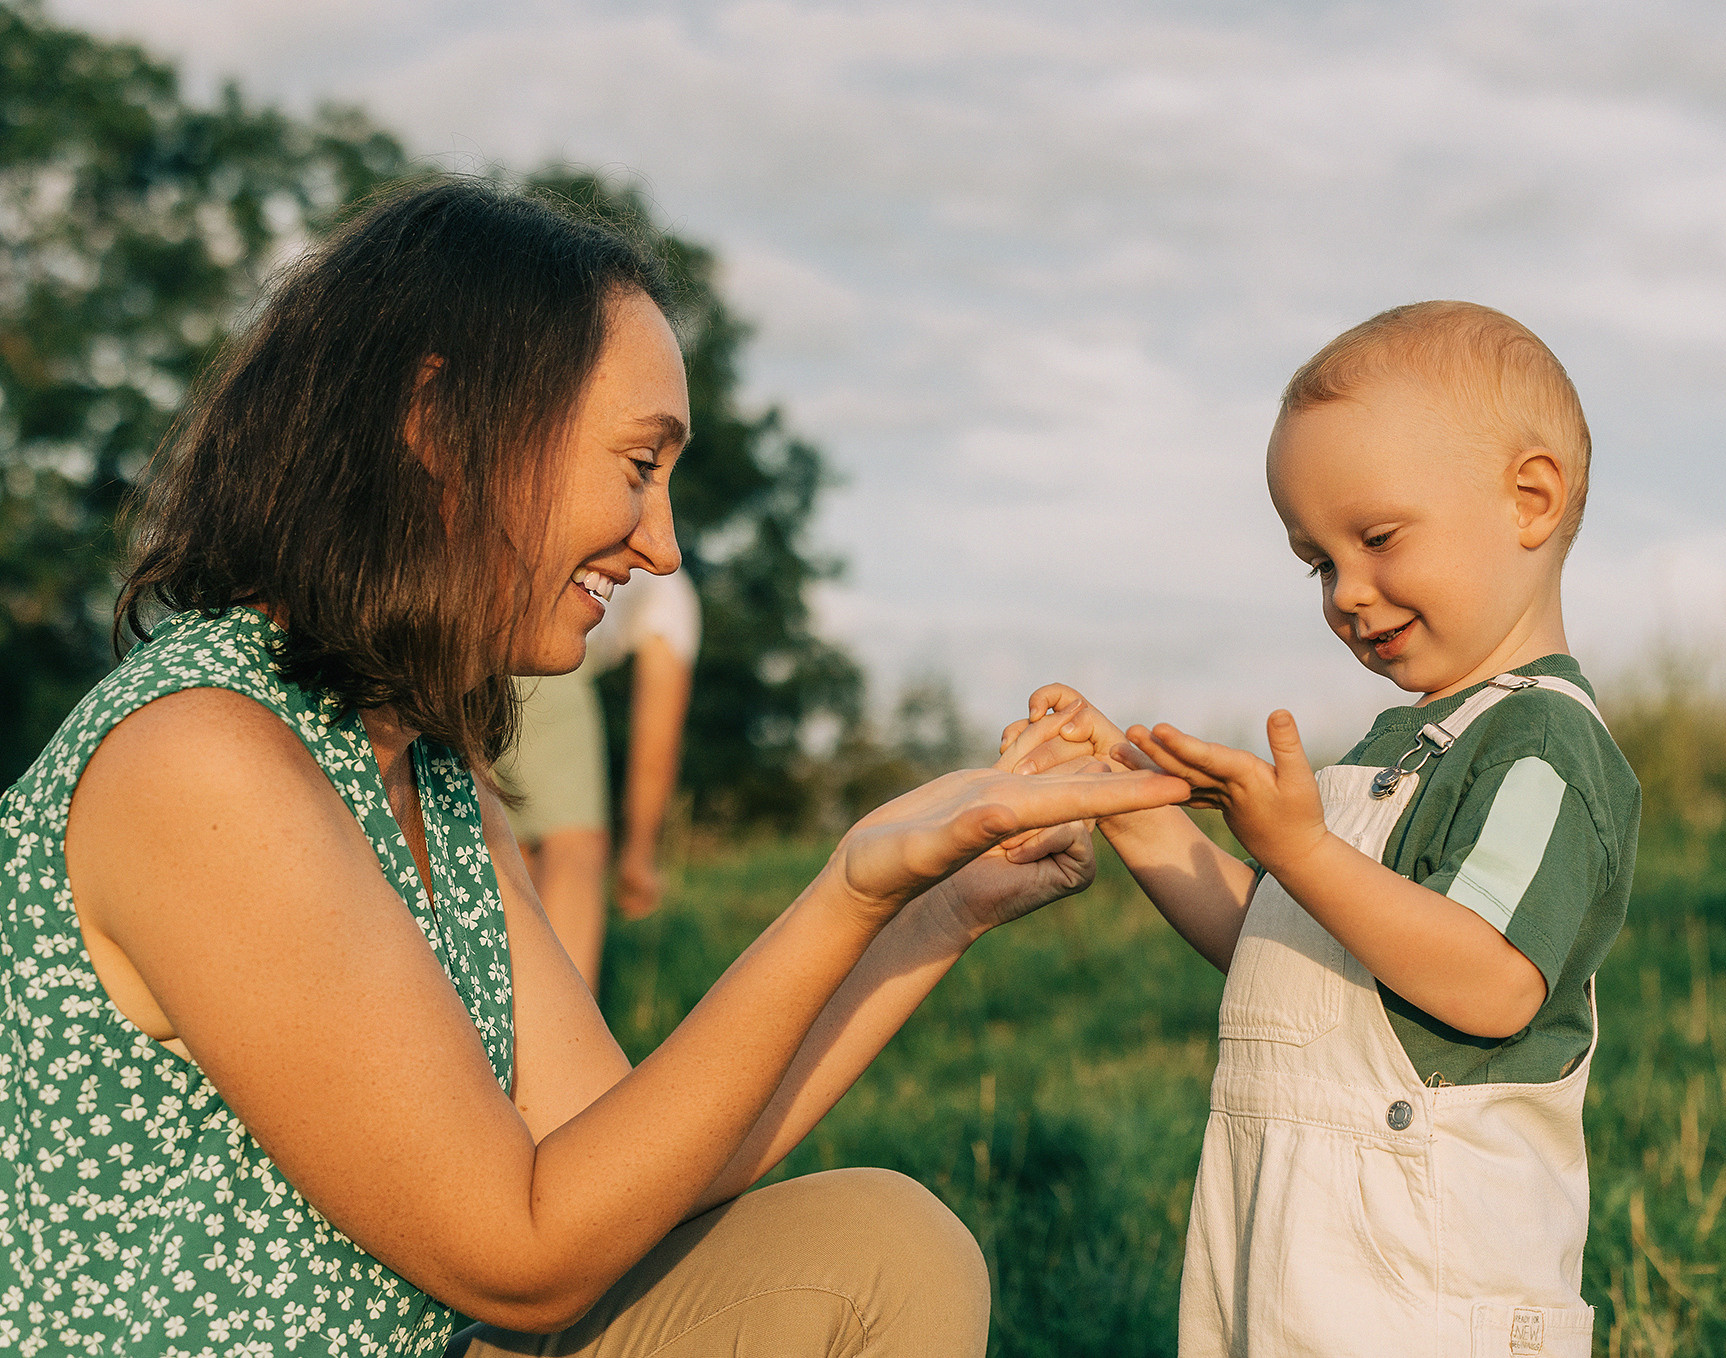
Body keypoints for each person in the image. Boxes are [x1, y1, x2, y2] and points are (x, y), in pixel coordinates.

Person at [0, 178, 1190, 1358]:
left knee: (881, 1245)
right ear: (436, 426)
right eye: (637, 463)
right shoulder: (204, 758)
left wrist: (938, 906)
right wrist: (849, 889)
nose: (662, 545)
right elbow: (521, 1259)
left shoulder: (429, 763)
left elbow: (630, 1167)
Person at [1000, 301, 1641, 1357]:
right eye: (1315, 561)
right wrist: (1129, 802)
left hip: (1425, 1270)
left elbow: (1488, 979)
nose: (1346, 592)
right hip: (1290, 1231)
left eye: (1376, 537)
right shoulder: (1404, 738)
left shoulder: (1540, 745)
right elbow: (1296, 949)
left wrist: (1296, 846)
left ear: (1529, 500)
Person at [499, 567, 700, 992]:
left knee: (503, 853)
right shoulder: (672, 593)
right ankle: (559, 1048)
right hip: (532, 642)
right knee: (572, 846)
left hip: (459, 625)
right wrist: (639, 856)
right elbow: (656, 739)